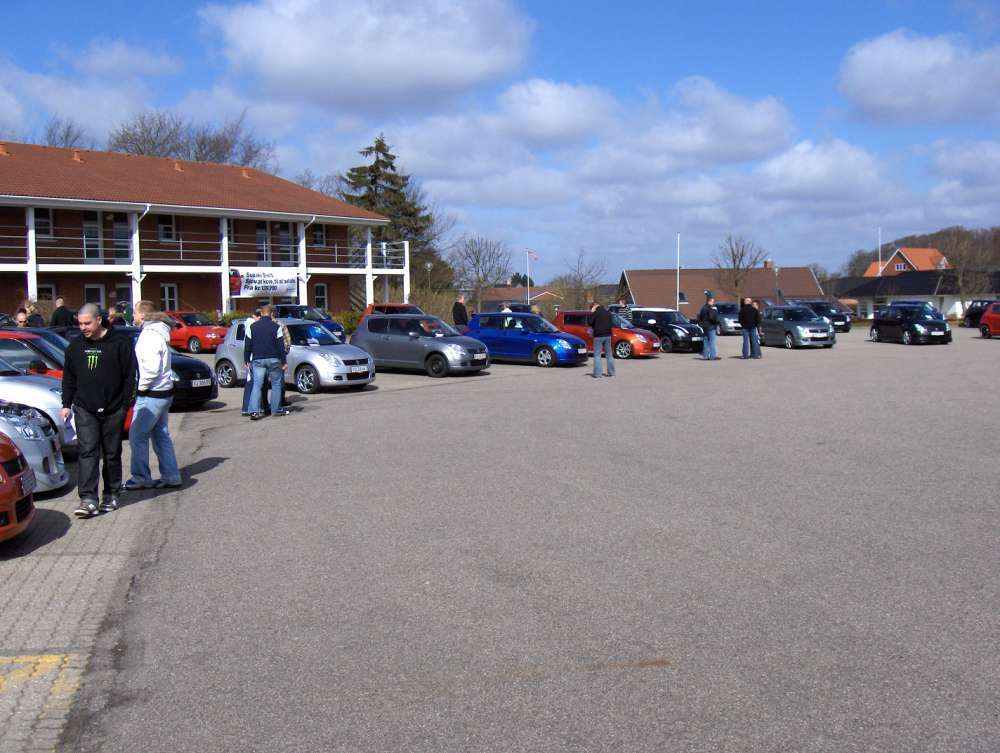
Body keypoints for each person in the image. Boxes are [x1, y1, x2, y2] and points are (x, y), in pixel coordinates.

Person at [60, 303, 137, 517]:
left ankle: (111, 493)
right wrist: (66, 404)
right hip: (85, 408)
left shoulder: (120, 343)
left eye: (87, 323)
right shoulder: (75, 346)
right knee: (87, 452)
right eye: (80, 324)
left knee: (111, 453)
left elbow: (131, 376)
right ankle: (88, 499)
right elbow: (69, 378)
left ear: (98, 320)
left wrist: (125, 405)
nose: (83, 328)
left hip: (114, 409)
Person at [125, 301, 181, 490]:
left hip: (152, 393)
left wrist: (140, 390)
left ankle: (141, 477)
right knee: (160, 434)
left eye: (135, 313)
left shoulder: (149, 335)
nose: (133, 316)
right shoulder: (160, 331)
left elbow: (151, 369)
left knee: (137, 435)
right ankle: (171, 476)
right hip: (164, 392)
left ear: (142, 315)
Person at [245, 305, 287, 420]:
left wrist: (246, 359)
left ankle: (254, 411)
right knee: (276, 384)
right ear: (271, 314)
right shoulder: (276, 327)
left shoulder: (252, 327)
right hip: (274, 359)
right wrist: (284, 361)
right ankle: (276, 410)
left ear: (261, 313)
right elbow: (280, 346)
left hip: (258, 359)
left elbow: (248, 345)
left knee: (257, 385)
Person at [241, 308, 262, 416]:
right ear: (256, 316)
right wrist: (247, 360)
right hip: (253, 358)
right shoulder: (252, 326)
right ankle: (251, 408)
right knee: (254, 384)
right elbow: (248, 345)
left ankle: (247, 407)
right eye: (260, 317)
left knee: (251, 383)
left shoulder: (249, 324)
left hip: (250, 358)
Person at [589, 301, 616, 378]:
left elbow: (590, 322)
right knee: (609, 355)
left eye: (591, 307)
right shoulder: (608, 313)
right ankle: (611, 372)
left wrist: (592, 313)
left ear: (594, 306)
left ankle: (598, 374)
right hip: (608, 335)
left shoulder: (595, 313)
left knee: (597, 355)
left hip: (598, 336)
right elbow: (612, 323)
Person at [698, 295, 720, 360]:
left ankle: (705, 356)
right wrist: (716, 322)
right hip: (711, 327)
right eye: (713, 302)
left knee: (706, 342)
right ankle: (713, 356)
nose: (713, 303)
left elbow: (699, 317)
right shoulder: (710, 308)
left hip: (704, 327)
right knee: (712, 342)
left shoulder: (702, 308)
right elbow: (712, 317)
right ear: (709, 301)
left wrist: (701, 324)